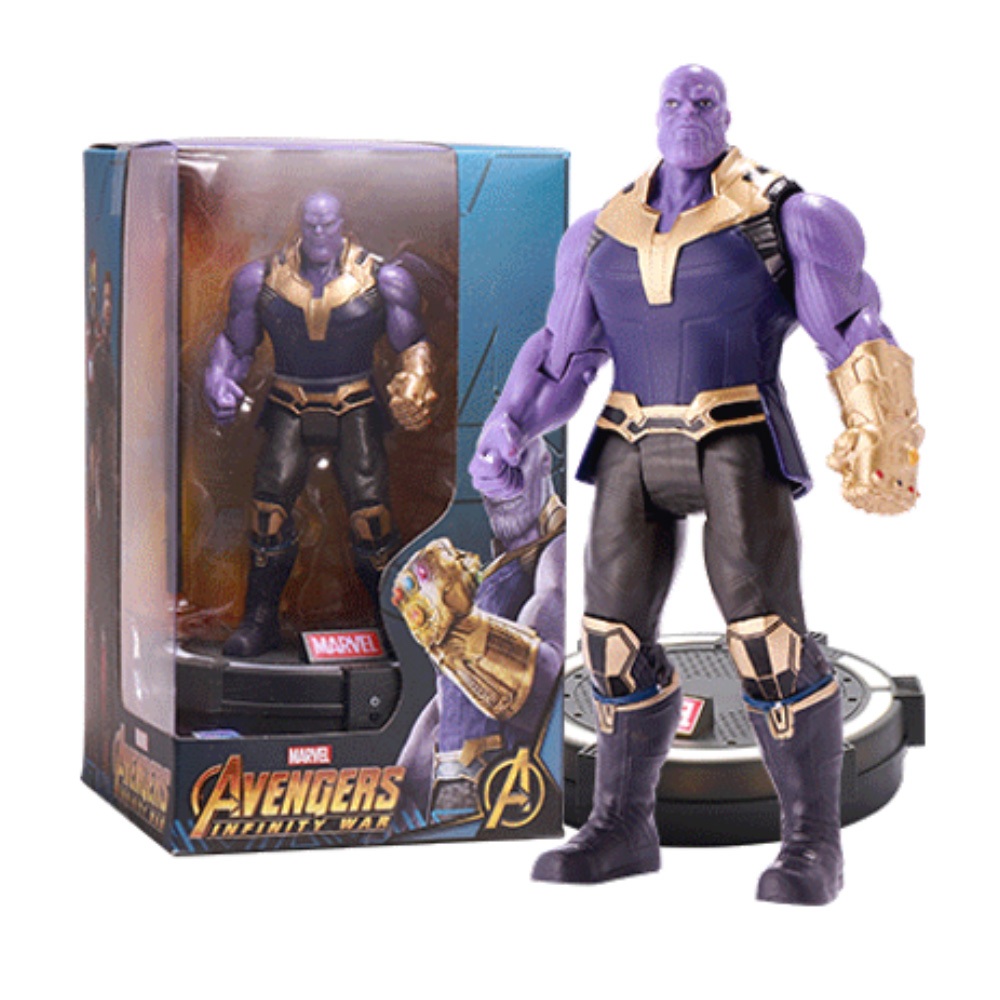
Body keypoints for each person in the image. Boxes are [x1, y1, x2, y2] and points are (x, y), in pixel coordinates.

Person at [469, 65, 923, 905]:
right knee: (608, 641)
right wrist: (510, 423)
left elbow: (851, 327)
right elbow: (563, 358)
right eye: (674, 103)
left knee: (768, 641)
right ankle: (621, 826)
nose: (688, 115)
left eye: (703, 102)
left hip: (735, 437)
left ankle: (811, 844)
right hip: (628, 440)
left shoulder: (784, 216)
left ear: (725, 114)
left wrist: (878, 429)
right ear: (655, 116)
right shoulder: (599, 232)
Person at [204, 191, 438, 658]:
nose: (317, 233)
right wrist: (218, 377)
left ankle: (391, 624)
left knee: (372, 520)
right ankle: (260, 620)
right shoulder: (261, 278)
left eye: (327, 224)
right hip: (287, 400)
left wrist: (416, 379)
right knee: (268, 513)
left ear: (343, 224)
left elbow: (412, 343)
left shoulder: (383, 280)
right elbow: (235, 342)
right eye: (310, 224)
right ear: (298, 223)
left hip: (355, 403)